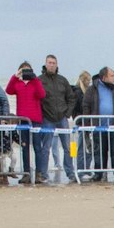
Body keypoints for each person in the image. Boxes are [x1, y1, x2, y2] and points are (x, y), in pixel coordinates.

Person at [37, 55, 78, 184]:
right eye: (49, 63)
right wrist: (42, 114)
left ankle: (70, 172)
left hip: (62, 118)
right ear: (45, 64)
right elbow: (36, 99)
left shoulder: (62, 80)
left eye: (54, 63)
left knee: (68, 147)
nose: (51, 65)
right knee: (46, 147)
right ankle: (43, 173)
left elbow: (71, 97)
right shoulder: (39, 80)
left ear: (57, 64)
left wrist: (68, 112)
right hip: (47, 118)